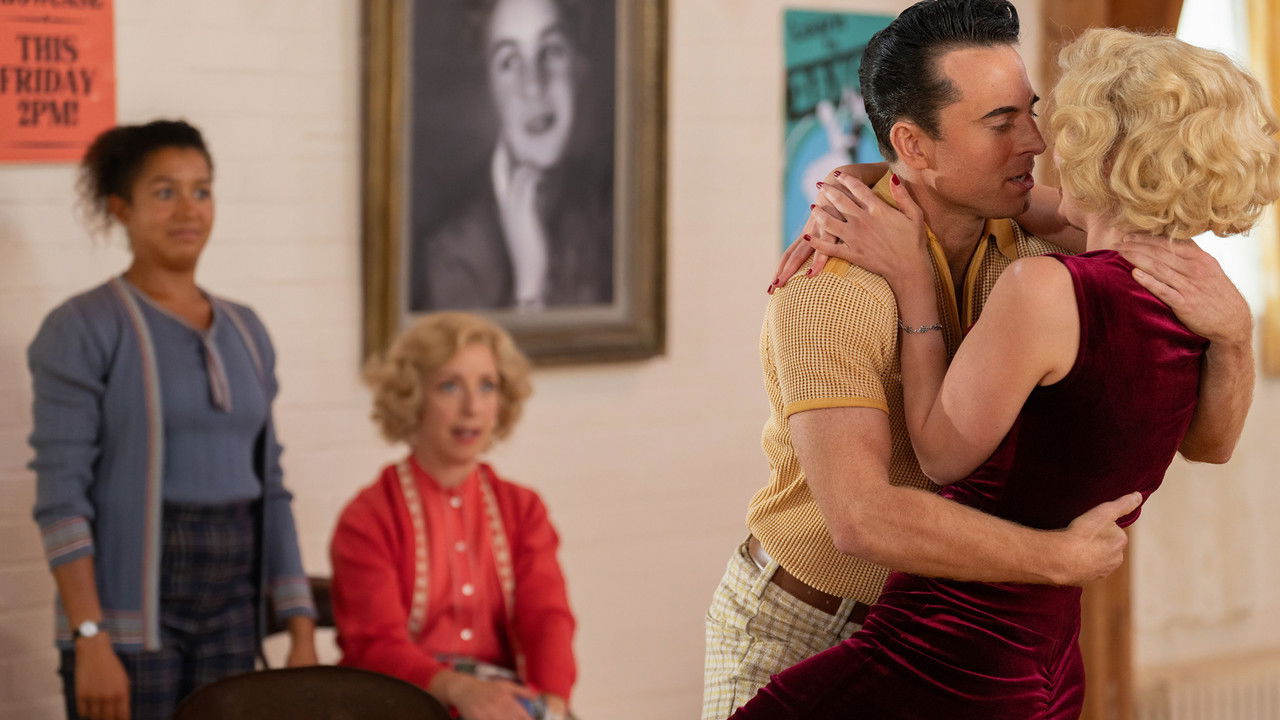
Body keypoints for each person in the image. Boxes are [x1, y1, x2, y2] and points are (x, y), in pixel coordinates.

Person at [701, 2, 1257, 717]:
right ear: (915, 144)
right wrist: (1054, 558)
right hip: (811, 621)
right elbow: (862, 520)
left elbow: (1207, 439)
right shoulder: (829, 289)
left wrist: (1235, 335)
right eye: (1000, 123)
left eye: (1032, 112)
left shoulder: (1043, 247)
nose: (1036, 141)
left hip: (959, 636)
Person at [28, 120, 317, 720]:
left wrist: (300, 627)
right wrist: (90, 638)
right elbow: (61, 498)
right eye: (165, 192)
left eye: (201, 190)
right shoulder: (83, 327)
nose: (189, 210)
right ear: (121, 208)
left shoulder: (247, 331)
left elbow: (272, 487)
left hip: (233, 615)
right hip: (128, 622)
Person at [330, 312, 576, 720]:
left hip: (506, 704)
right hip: (400, 704)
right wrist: (461, 690)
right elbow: (374, 645)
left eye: (487, 386)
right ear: (413, 398)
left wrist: (551, 705)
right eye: (449, 386)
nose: (472, 408)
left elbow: (547, 619)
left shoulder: (524, 510)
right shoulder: (368, 518)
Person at [411, 0, 613, 312]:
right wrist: (531, 285)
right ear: (489, 88)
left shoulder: (611, 209)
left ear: (579, 65)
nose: (533, 86)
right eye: (509, 62)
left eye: (552, 51)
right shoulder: (451, 252)